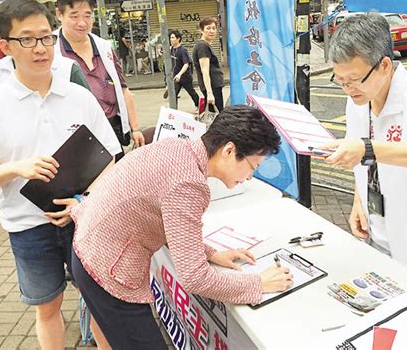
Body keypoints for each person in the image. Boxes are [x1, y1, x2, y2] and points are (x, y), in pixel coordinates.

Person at [71, 105, 293, 349]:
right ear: (229, 150)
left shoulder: (179, 148)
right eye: (253, 167)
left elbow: (171, 223)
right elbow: (195, 278)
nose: (250, 177)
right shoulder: (188, 183)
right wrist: (258, 283)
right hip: (106, 271)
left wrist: (212, 254)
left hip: (89, 248)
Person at [0, 0, 121, 350]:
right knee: (48, 307)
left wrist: (84, 201)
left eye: (46, 37)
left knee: (100, 304)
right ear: (4, 46)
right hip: (28, 227)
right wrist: (17, 168)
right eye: (27, 39)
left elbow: (109, 157)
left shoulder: (78, 96)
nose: (40, 48)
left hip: (84, 221)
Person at [320, 12, 407, 282]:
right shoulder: (358, 97)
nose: (348, 89)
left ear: (384, 65)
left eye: (355, 79)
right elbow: (363, 156)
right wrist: (359, 200)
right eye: (341, 80)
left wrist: (369, 149)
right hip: (375, 231)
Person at [54, 0, 145, 159]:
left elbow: (123, 89)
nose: (82, 23)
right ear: (59, 14)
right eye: (74, 16)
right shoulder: (50, 49)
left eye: (87, 16)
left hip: (111, 129)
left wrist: (135, 128)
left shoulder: (104, 47)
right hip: (75, 135)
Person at [193, 16, 225, 112]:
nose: (211, 31)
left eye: (214, 28)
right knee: (217, 117)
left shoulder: (205, 45)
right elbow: (205, 71)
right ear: (201, 30)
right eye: (208, 28)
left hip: (214, 86)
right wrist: (210, 93)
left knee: (215, 116)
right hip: (212, 87)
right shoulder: (202, 46)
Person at [170, 29, 199, 109]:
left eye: (173, 37)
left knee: (191, 92)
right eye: (170, 38)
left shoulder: (183, 50)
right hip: (176, 77)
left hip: (185, 77)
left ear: (178, 39)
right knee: (174, 94)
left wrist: (180, 74)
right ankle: (174, 110)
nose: (171, 39)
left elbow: (186, 64)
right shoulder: (171, 49)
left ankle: (199, 105)